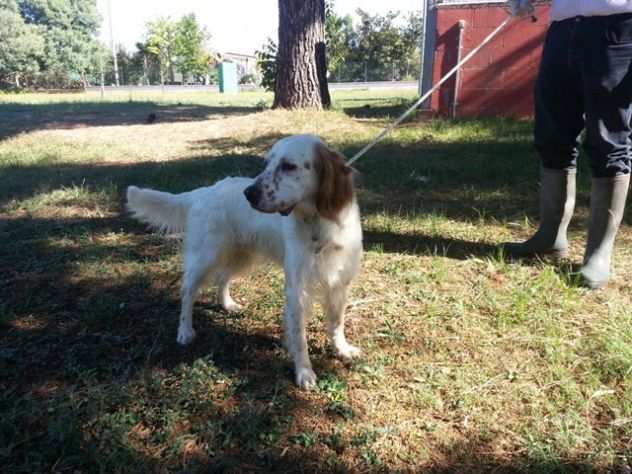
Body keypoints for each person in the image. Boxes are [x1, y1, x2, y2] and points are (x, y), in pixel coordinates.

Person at [504, 0, 632, 289]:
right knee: (553, 133)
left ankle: (598, 253)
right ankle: (551, 235)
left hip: (617, 27)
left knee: (609, 139)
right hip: (562, 28)